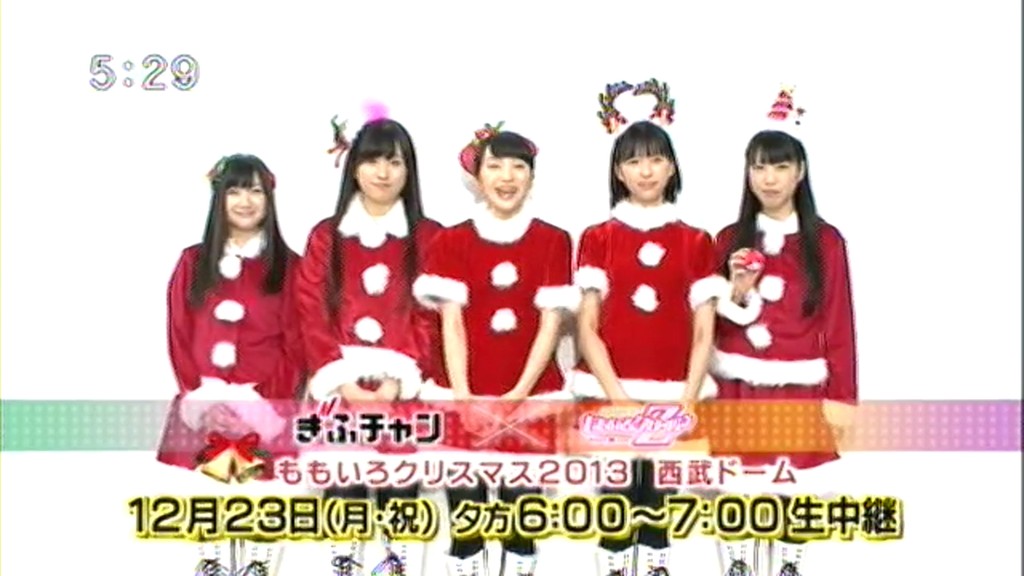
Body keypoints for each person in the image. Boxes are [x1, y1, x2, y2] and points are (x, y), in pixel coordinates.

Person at [413, 124, 578, 576]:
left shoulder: (553, 240)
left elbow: (549, 326)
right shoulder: (451, 241)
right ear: (477, 175)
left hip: (531, 399)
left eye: (518, 167)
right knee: (467, 526)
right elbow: (451, 323)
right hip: (461, 397)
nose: (507, 177)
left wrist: (517, 396)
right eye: (495, 166)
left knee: (520, 525)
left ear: (531, 176)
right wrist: (464, 399)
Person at [707, 88, 857, 576]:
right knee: (739, 489)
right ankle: (738, 565)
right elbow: (710, 326)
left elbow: (839, 322)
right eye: (758, 167)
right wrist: (737, 289)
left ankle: (789, 565)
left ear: (800, 171)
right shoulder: (727, 239)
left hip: (799, 390)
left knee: (797, 487)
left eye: (779, 166)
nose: (768, 178)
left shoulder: (827, 242)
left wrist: (841, 396)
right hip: (738, 389)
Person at [571, 111, 723, 576]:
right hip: (609, 396)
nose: (646, 171)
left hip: (671, 397)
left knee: (657, 510)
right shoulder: (597, 238)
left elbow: (704, 329)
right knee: (615, 509)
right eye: (634, 162)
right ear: (619, 172)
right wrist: (618, 398)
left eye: (656, 160)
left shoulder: (696, 240)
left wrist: (687, 399)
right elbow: (587, 327)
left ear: (672, 167)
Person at [293, 118, 443, 576]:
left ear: (408, 170)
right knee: (344, 506)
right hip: (341, 399)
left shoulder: (430, 236)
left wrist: (399, 380)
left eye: (394, 162)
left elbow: (432, 315)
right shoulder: (326, 236)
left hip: (404, 399)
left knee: (401, 506)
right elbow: (309, 309)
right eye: (372, 160)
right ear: (353, 167)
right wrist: (342, 381)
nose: (383, 172)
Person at [156, 154, 306, 576]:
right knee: (211, 514)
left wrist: (264, 404)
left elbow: (297, 345)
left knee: (263, 515)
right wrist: (203, 397)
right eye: (234, 190)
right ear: (218, 198)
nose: (245, 201)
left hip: (269, 411)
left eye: (255, 190)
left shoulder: (291, 268)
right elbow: (179, 334)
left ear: (269, 198)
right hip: (204, 413)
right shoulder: (192, 263)